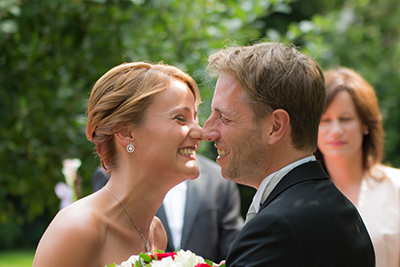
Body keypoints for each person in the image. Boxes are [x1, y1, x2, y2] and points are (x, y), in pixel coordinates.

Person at [202, 42, 375, 266]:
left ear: (275, 126)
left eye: (225, 118)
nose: (207, 131)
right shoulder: (338, 209)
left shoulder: (277, 227)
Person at [33, 61, 202, 267]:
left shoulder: (155, 233)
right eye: (180, 118)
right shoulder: (77, 229)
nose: (200, 132)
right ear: (126, 132)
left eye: (195, 118)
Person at [316, 67, 400, 267]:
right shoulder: (300, 197)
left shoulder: (396, 188)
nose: (336, 131)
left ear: (365, 124)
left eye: (345, 119)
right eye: (325, 120)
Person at [92, 154, 244, 263]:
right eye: (179, 118)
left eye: (194, 116)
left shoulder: (218, 179)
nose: (197, 131)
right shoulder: (112, 176)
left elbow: (233, 249)